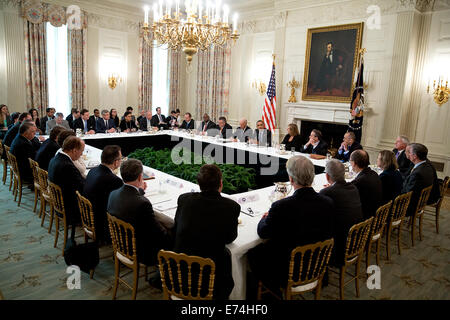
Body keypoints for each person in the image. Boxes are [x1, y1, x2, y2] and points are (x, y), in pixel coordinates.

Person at [247, 156, 334, 294]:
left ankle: (266, 291)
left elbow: (263, 232)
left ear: (291, 179)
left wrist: (265, 217)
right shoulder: (328, 202)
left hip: (287, 269)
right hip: (317, 263)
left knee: (251, 252)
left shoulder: (281, 206)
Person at [172, 164, 240, 300]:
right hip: (212, 281)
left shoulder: (184, 199)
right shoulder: (231, 206)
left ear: (198, 183)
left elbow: (176, 226)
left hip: (178, 274)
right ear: (221, 183)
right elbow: (230, 237)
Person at [107, 159, 170, 266]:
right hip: (141, 253)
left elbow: (129, 197)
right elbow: (159, 234)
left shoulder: (113, 194)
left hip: (121, 245)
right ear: (141, 177)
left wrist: (140, 191)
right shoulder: (143, 203)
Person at [319, 159, 363, 266]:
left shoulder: (327, 192)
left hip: (339, 247)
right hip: (356, 240)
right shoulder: (353, 187)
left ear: (327, 176)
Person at [83, 145, 124, 244]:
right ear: (115, 162)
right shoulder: (114, 180)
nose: (121, 161)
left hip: (88, 217)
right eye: (121, 158)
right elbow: (121, 203)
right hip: (102, 224)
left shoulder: (93, 171)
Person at [48, 136, 86, 239]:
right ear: (74, 150)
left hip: (60, 202)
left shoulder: (56, 158)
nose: (81, 154)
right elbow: (81, 188)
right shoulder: (66, 165)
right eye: (81, 151)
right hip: (70, 207)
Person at [402, 143, 440, 217]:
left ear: (415, 156)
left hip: (410, 206)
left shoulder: (417, 173)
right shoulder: (427, 165)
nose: (407, 154)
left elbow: (407, 193)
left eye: (409, 152)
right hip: (421, 200)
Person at [350, 150, 382, 219]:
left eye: (350, 160)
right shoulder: (374, 173)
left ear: (353, 163)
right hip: (376, 213)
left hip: (365, 219)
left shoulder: (359, 181)